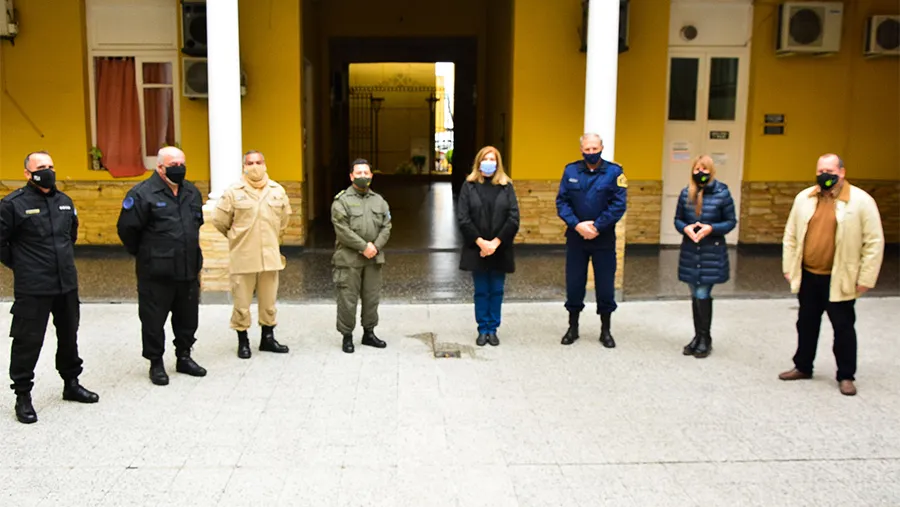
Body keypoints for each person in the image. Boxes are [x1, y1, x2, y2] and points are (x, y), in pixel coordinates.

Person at [0, 151, 99, 424]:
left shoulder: (65, 202)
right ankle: (23, 395)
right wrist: (23, 265)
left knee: (69, 335)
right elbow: (2, 243)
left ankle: (71, 384)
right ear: (27, 173)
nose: (48, 171)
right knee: (27, 341)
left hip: (66, 284)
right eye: (41, 167)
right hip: (34, 287)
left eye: (51, 166)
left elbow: (72, 236)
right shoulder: (12, 204)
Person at [779, 153, 884, 396]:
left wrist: (866, 278)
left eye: (830, 170)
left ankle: (846, 375)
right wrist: (789, 267)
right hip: (808, 275)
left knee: (844, 327)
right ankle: (802, 366)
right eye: (821, 170)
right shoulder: (804, 198)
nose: (825, 175)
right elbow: (790, 235)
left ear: (842, 172)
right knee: (806, 323)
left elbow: (874, 242)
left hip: (840, 278)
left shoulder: (861, 201)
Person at [116, 146, 207, 385]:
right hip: (156, 272)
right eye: (173, 165)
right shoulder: (142, 194)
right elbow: (127, 230)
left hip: (187, 269)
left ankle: (184, 356)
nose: (179, 168)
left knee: (188, 318)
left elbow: (196, 226)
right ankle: (156, 363)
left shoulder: (191, 192)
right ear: (159, 167)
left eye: (181, 164)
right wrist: (146, 254)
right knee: (153, 320)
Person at [213, 151, 292, 359]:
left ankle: (267, 338)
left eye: (258, 162)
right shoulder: (233, 192)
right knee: (242, 303)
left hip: (270, 256)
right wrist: (235, 237)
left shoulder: (277, 191)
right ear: (244, 166)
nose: (255, 166)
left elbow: (284, 220)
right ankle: (243, 341)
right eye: (250, 163)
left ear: (265, 164)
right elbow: (220, 221)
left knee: (268, 302)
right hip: (244, 256)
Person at [555, 133, 627, 348]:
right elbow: (562, 202)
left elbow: (618, 205)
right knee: (574, 284)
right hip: (576, 238)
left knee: (605, 286)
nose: (591, 153)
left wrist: (596, 226)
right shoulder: (571, 170)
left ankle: (605, 330)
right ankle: (573, 327)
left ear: (602, 148)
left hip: (603, 239)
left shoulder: (615, 172)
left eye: (595, 149)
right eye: (587, 149)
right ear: (581, 150)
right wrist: (577, 225)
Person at [673, 155, 736, 358]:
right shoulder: (685, 194)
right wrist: (686, 228)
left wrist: (711, 228)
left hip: (711, 251)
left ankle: (705, 338)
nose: (701, 173)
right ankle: (698, 336)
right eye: (697, 169)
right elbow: (678, 219)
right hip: (691, 251)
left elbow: (730, 221)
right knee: (695, 293)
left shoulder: (722, 193)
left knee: (702, 293)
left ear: (711, 171)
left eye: (705, 169)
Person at [456, 146, 520, 346]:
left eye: (493, 159)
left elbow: (513, 218)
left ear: (498, 163)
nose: (489, 162)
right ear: (478, 162)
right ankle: (482, 329)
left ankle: (493, 329)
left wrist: (495, 243)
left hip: (500, 248)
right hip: (478, 249)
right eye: (485, 158)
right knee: (482, 290)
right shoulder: (469, 186)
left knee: (497, 290)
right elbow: (463, 218)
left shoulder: (506, 186)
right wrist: (481, 243)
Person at [331, 159, 392, 353]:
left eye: (366, 173)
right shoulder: (341, 201)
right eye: (359, 173)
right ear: (351, 176)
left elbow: (387, 226)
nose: (363, 176)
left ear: (372, 176)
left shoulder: (379, 201)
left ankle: (369, 333)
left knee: (371, 297)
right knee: (347, 299)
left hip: (373, 258)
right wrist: (364, 247)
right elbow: (342, 230)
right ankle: (347, 336)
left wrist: (375, 246)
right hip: (349, 260)